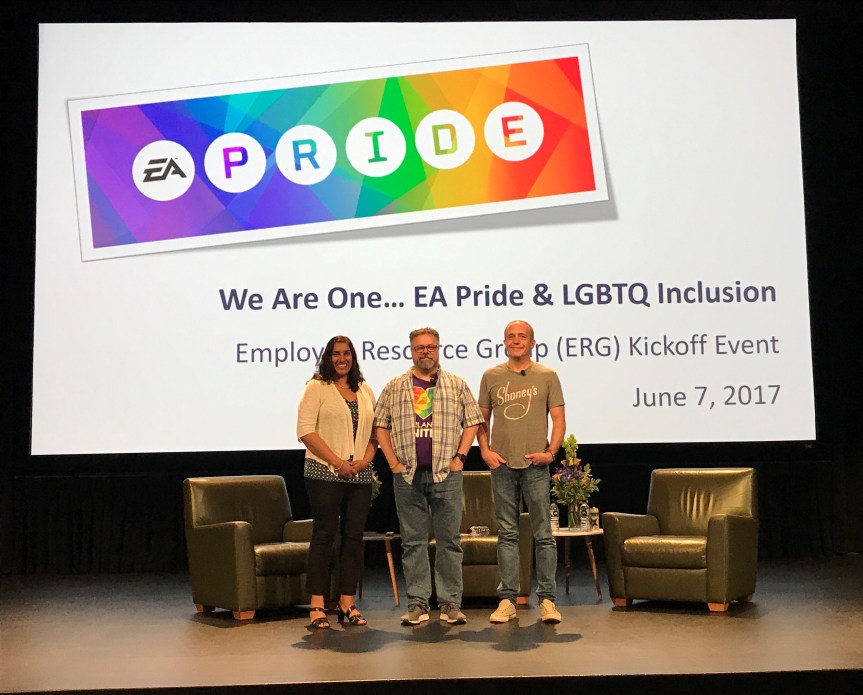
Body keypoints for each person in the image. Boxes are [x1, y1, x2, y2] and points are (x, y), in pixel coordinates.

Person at [374, 327, 484, 626]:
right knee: (413, 543)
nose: (425, 351)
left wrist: (460, 457)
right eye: (419, 347)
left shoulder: (456, 384)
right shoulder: (395, 386)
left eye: (430, 346)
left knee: (449, 541)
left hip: (446, 473)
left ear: (438, 349)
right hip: (407, 475)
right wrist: (392, 462)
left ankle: (450, 604)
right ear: (411, 350)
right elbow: (380, 425)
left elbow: (473, 421)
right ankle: (418, 603)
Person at [477, 320, 566, 624]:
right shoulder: (491, 376)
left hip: (535, 466)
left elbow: (559, 419)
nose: (516, 341)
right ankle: (507, 600)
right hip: (502, 465)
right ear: (504, 342)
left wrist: (550, 453)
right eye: (511, 337)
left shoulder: (547, 375)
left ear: (532, 342)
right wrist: (485, 451)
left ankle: (548, 600)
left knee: (544, 535)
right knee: (507, 534)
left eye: (522, 336)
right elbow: (482, 419)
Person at [296, 335, 377, 629]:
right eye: (336, 354)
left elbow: (375, 433)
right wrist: (337, 462)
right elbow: (306, 431)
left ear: (353, 357)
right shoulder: (317, 387)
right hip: (324, 472)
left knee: (354, 538)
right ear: (328, 358)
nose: (342, 359)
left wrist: (364, 461)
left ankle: (347, 602)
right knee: (324, 536)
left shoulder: (364, 389)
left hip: (359, 474)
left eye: (347, 353)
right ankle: (317, 605)